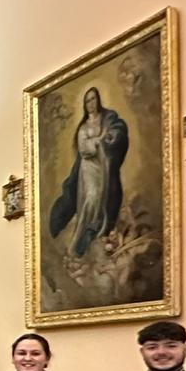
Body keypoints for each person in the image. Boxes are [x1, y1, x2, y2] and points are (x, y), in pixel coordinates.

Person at [50, 86, 128, 257]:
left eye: (93, 99)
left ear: (98, 100)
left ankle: (97, 231)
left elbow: (116, 133)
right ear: (84, 105)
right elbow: (84, 149)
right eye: (87, 101)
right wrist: (98, 141)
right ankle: (83, 234)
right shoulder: (83, 127)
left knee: (103, 198)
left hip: (103, 167)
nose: (91, 103)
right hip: (89, 168)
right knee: (92, 197)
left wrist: (108, 140)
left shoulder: (107, 119)